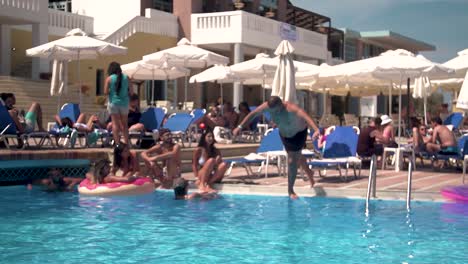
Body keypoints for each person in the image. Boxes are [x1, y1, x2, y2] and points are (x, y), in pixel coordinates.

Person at [233, 96, 320, 199]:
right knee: (296, 156)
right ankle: (310, 173)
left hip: (298, 134)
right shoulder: (266, 106)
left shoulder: (291, 108)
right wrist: (240, 126)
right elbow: (252, 114)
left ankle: (290, 190)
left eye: (277, 111)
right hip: (284, 135)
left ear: (281, 105)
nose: (275, 113)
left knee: (292, 160)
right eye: (272, 112)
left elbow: (306, 117)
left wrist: (316, 129)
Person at [104, 61, 130, 145]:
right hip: (124, 103)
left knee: (115, 124)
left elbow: (105, 92)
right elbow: (132, 92)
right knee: (124, 125)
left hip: (113, 103)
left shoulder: (109, 79)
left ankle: (118, 144)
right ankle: (126, 143)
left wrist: (112, 91)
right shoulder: (127, 78)